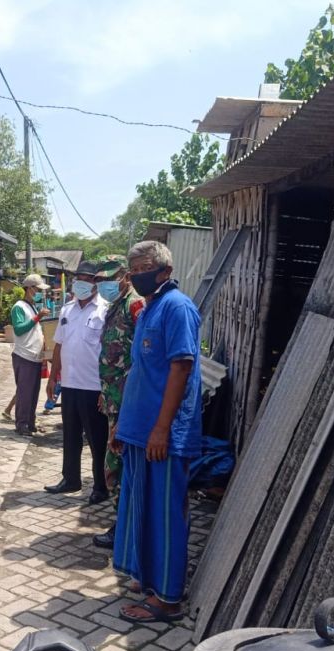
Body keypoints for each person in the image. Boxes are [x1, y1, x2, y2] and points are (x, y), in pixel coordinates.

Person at [110, 240, 202, 624]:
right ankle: (148, 579)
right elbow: (142, 370)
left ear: (165, 270)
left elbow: (181, 367)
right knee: (140, 510)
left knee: (164, 518)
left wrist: (162, 429)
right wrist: (123, 423)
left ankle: (167, 600)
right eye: (132, 269)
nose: (136, 275)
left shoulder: (177, 307)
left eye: (143, 268)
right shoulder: (149, 307)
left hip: (163, 435)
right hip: (139, 430)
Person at [44, 261, 110, 504]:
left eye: (87, 278)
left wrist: (106, 388)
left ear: (96, 283)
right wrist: (53, 377)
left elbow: (110, 351)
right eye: (78, 278)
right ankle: (70, 479)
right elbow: (59, 345)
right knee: (70, 435)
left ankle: (101, 486)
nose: (81, 282)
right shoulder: (67, 309)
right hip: (70, 384)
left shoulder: (105, 310)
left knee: (97, 439)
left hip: (94, 386)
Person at [92, 256, 145, 550]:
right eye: (100, 280)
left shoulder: (135, 305)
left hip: (128, 403)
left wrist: (126, 408)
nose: (104, 284)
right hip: (114, 399)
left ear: (125, 277)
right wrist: (105, 392)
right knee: (116, 465)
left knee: (117, 467)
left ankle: (125, 529)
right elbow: (113, 357)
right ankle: (124, 525)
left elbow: (140, 360)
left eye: (109, 279)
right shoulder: (116, 305)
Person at [10, 273, 49, 436]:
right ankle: (22, 424)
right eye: (38, 289)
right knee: (25, 393)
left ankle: (30, 422)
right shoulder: (19, 307)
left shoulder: (32, 306)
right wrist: (38, 317)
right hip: (24, 355)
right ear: (29, 288)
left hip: (34, 356)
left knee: (33, 393)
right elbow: (19, 329)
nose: (40, 293)